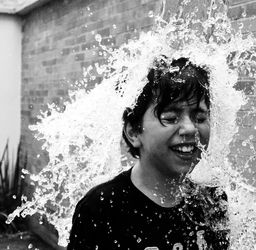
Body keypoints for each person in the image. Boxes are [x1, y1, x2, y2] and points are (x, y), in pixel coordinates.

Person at [67, 57, 229, 250]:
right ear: (134, 132)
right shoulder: (101, 208)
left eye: (199, 117)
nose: (190, 128)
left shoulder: (212, 203)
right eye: (171, 117)